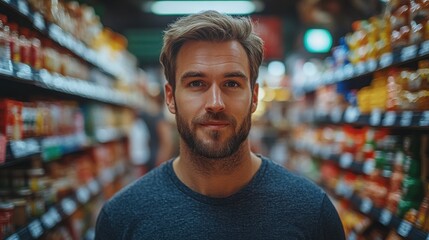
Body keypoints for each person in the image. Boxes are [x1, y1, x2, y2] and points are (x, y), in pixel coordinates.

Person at [95, 10, 346, 239]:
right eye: (196, 83)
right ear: (171, 98)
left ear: (254, 97)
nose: (215, 103)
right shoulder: (121, 219)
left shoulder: (313, 213)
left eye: (232, 84)